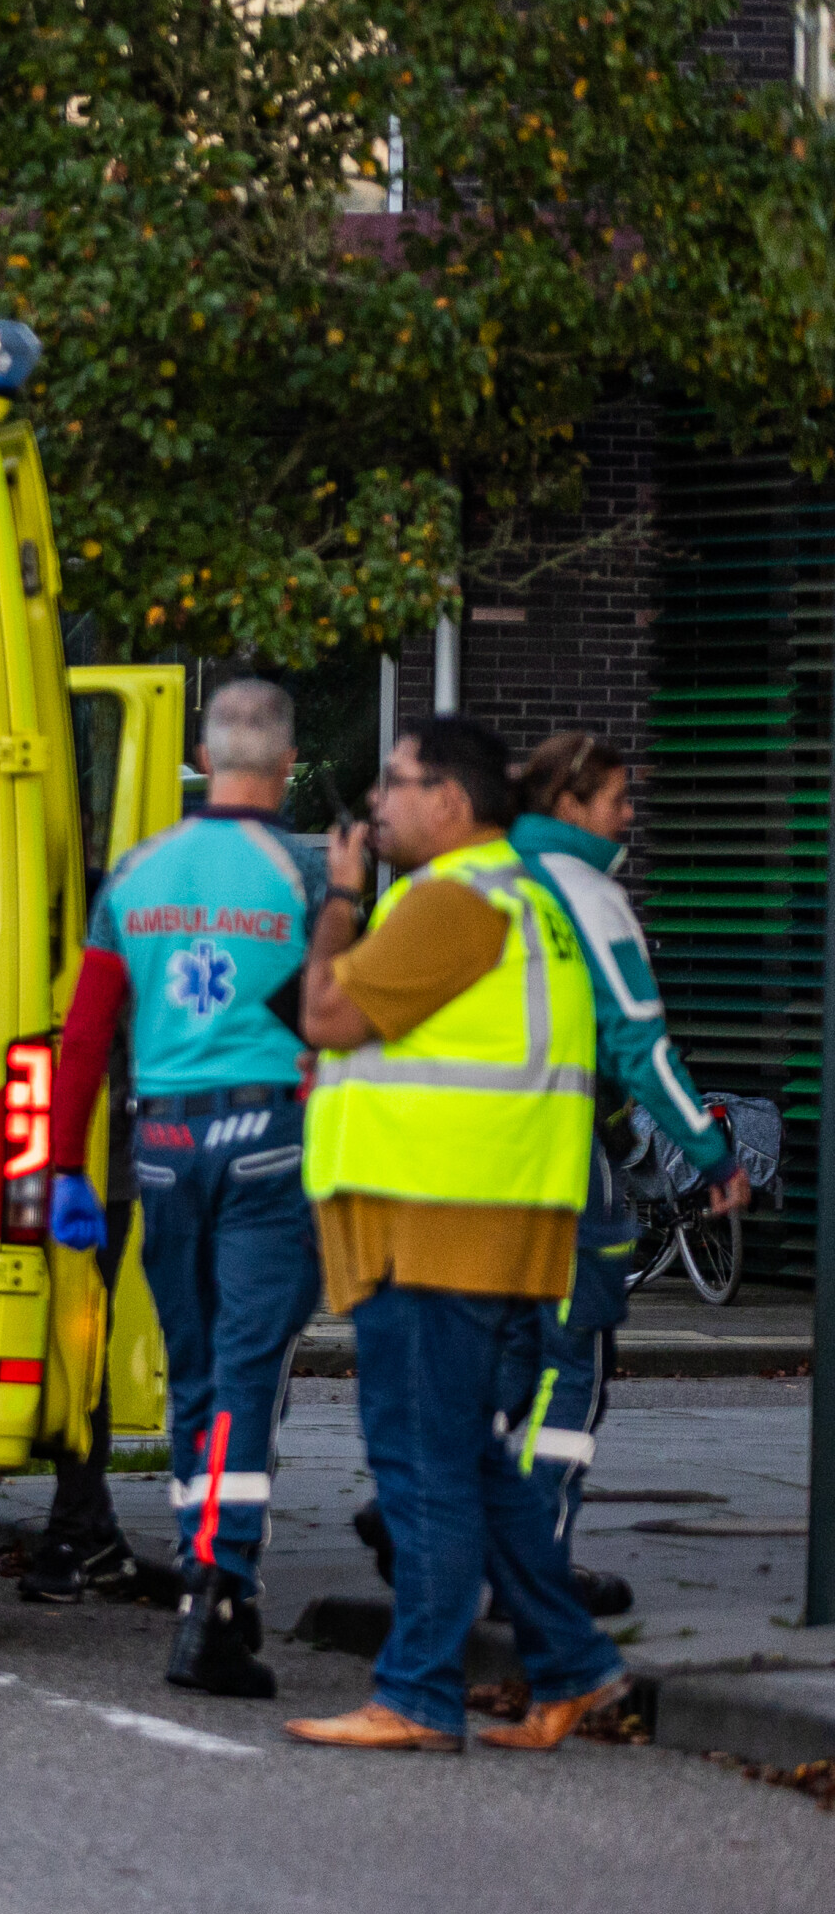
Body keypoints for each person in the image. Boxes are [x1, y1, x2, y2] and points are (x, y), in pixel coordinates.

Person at [286, 716, 628, 1752]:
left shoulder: (452, 900)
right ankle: (573, 1666)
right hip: (486, 1216)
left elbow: (326, 1017)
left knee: (421, 1464)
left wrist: (338, 899)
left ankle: (418, 1693)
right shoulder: (522, 902)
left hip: (436, 1222)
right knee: (474, 1463)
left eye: (393, 783)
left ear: (448, 801)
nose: (375, 804)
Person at [44, 679, 326, 1692]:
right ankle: (217, 1589)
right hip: (268, 1144)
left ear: (202, 761)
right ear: (286, 764)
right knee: (248, 1373)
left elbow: (83, 1036)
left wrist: (64, 1168)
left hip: (159, 1143)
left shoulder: (134, 874)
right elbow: (347, 1014)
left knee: (196, 1372)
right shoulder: (307, 870)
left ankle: (201, 1578)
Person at [502, 733, 748, 1602]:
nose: (629, 816)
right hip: (561, 1166)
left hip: (453, 1174)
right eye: (616, 799)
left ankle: (454, 1524)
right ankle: (534, 1565)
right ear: (568, 803)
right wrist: (711, 1153)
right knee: (570, 1366)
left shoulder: (467, 879)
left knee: (493, 1364)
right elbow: (639, 1043)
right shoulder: (586, 895)